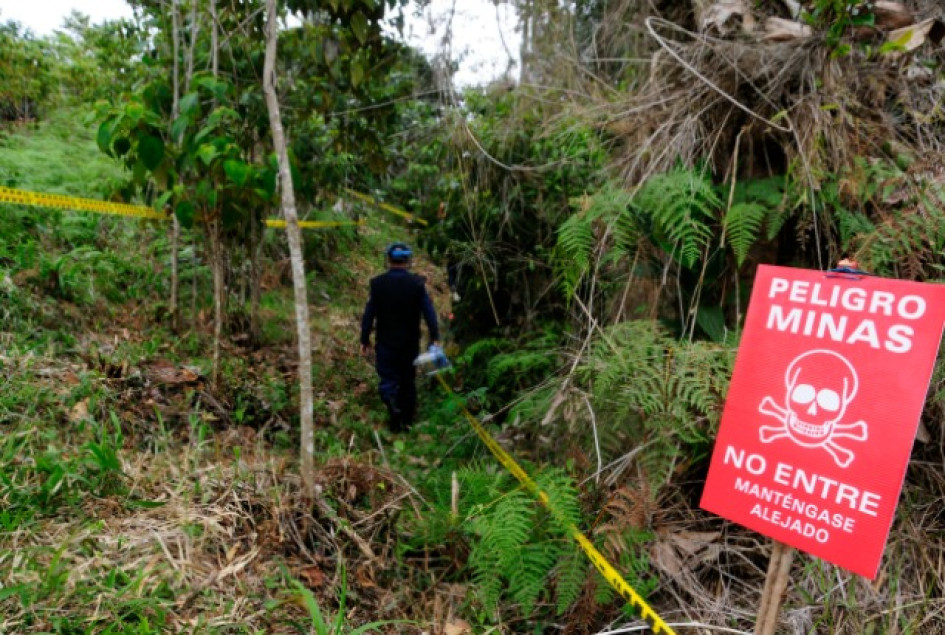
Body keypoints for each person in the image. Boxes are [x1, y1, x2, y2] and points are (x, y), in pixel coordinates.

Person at [360, 242, 440, 432]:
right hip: (409, 343)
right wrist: (434, 336)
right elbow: (429, 312)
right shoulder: (417, 284)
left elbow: (368, 314)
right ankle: (407, 421)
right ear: (407, 261)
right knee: (407, 380)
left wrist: (364, 339)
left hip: (386, 342)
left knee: (388, 378)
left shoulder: (377, 284)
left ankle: (392, 404)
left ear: (388, 260)